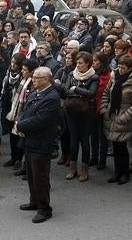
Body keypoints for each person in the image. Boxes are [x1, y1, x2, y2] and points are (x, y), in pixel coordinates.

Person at [16, 66, 60, 223]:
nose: (33, 80)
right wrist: (19, 123)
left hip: (42, 142)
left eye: (37, 78)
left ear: (47, 80)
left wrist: (21, 126)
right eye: (33, 77)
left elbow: (40, 120)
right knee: (31, 175)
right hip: (31, 140)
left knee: (40, 177)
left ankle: (44, 209)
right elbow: (27, 112)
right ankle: (34, 201)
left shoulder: (52, 98)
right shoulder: (36, 93)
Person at [100, 55, 132, 185]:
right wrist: (104, 109)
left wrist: (124, 117)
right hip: (112, 116)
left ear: (130, 68)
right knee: (115, 146)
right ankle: (117, 172)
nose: (120, 69)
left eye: (123, 68)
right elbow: (106, 94)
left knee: (122, 148)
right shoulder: (114, 77)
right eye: (119, 66)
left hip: (124, 119)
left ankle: (124, 173)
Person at [63, 51, 98, 182]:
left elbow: (91, 94)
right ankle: (72, 168)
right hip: (71, 111)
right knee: (73, 141)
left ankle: (84, 169)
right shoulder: (72, 74)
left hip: (86, 113)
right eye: (76, 62)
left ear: (88, 64)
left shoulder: (94, 77)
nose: (77, 65)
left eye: (80, 63)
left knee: (84, 142)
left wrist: (76, 90)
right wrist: (78, 93)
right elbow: (66, 91)